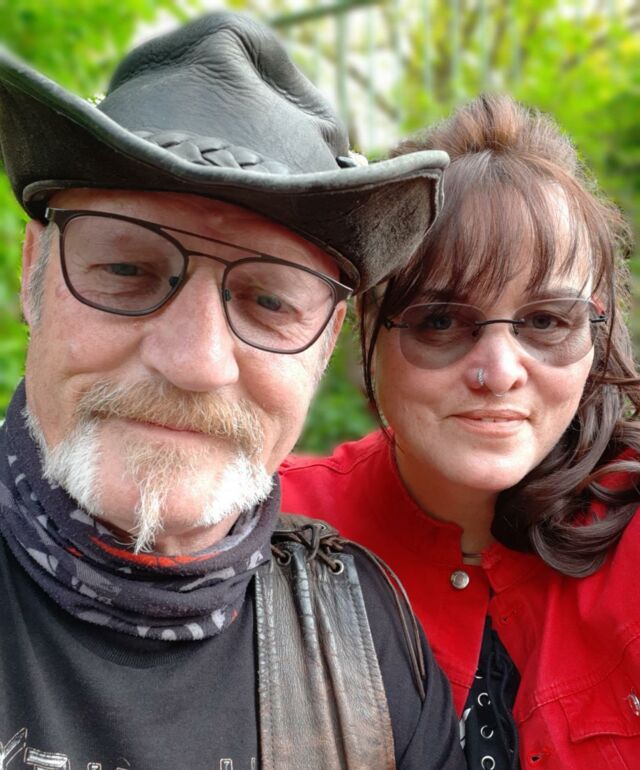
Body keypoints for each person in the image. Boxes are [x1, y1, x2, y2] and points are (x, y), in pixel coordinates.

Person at [0, 13, 465, 770]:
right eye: (126, 269)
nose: (195, 362)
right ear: (34, 272)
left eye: (270, 300)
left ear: (325, 342)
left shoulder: (369, 651)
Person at [281, 93, 640, 770]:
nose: (499, 373)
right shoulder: (267, 532)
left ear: (593, 332)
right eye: (440, 321)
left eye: (545, 321)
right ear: (369, 329)